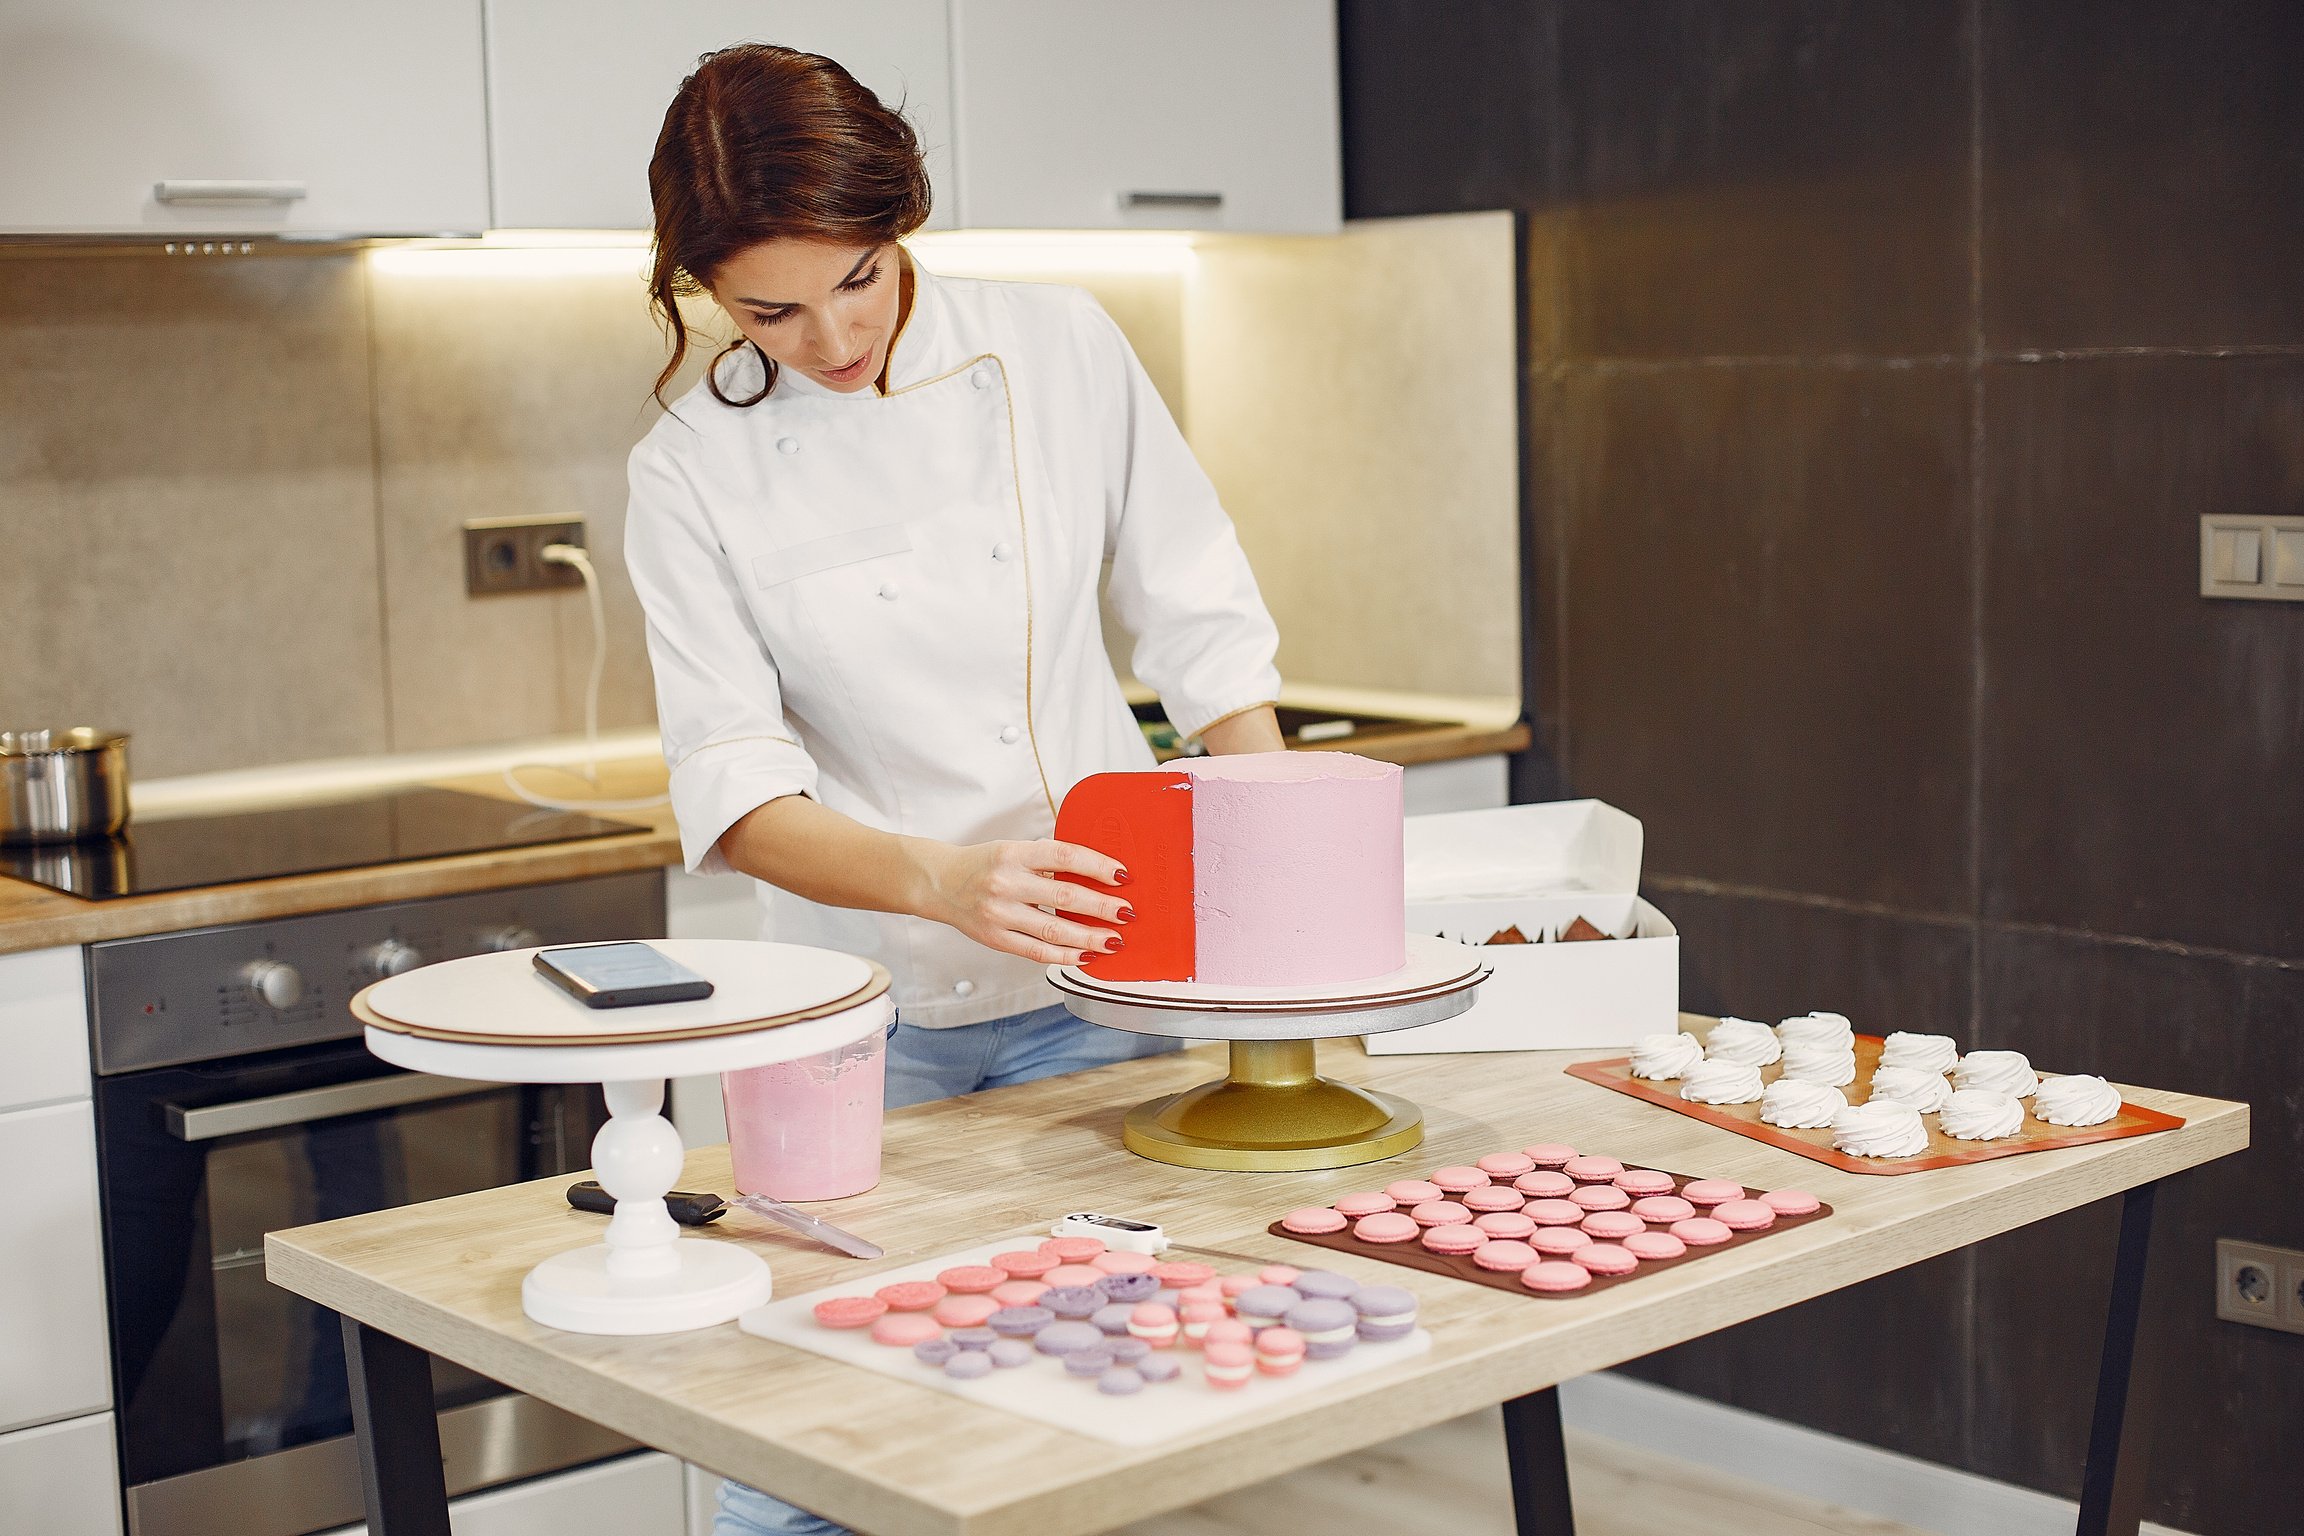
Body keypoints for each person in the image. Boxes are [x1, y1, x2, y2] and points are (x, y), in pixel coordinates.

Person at [622, 44, 1285, 1536]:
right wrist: (939, 880)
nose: (831, 334)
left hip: (1111, 981)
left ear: (901, 220)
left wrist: (1292, 887)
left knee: (1087, 1399)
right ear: (706, 291)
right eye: (766, 309)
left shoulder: (1055, 348)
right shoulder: (688, 469)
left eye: (857, 278)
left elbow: (1201, 626)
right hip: (860, 1020)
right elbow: (732, 792)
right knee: (804, 1431)